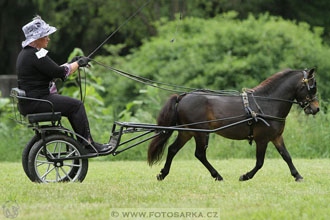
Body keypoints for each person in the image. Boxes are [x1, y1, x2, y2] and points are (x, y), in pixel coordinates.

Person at [16, 16, 111, 153]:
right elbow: (59, 72)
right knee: (76, 105)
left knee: (72, 105)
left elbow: (52, 70)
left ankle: (85, 143)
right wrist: (78, 64)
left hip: (31, 101)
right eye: (46, 35)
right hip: (39, 100)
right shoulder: (36, 55)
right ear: (37, 39)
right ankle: (88, 144)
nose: (48, 38)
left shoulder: (27, 54)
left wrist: (72, 62)